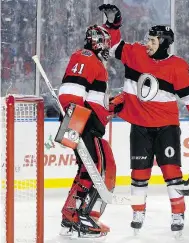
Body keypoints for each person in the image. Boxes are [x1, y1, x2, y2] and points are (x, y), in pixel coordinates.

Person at [98, 4, 189, 236]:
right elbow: (114, 45)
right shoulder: (136, 53)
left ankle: (178, 213)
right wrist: (113, 25)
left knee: (172, 173)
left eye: (153, 41)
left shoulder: (177, 66)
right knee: (139, 174)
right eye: (148, 39)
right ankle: (138, 212)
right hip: (139, 127)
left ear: (165, 43)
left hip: (167, 128)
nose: (147, 44)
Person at [56, 25, 123, 238]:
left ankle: (71, 215)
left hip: (85, 122)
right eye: (106, 42)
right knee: (95, 169)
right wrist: (76, 122)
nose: (108, 47)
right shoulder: (85, 57)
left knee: (92, 169)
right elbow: (70, 93)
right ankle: (82, 217)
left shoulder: (95, 63)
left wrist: (110, 105)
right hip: (81, 122)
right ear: (97, 41)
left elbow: (92, 99)